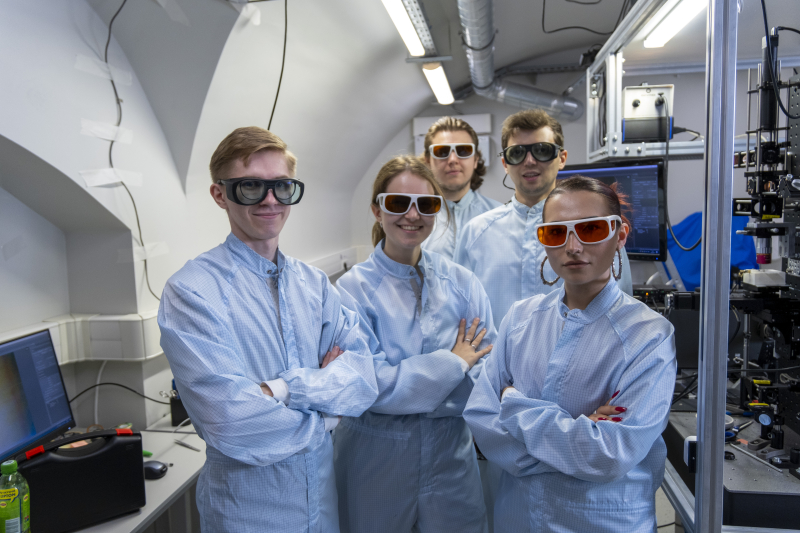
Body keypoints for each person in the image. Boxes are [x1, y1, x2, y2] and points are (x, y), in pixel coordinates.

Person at [157, 127, 379, 532]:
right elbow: (231, 421)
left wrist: (279, 391)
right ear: (219, 194)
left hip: (321, 508)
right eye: (250, 187)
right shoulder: (192, 292)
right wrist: (327, 408)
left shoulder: (315, 285)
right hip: (249, 514)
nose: (271, 200)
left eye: (282, 187)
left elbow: (363, 379)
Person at [463, 176, 676, 532]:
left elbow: (608, 454)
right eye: (555, 233)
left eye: (591, 229)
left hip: (601, 519)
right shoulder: (521, 318)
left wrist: (513, 403)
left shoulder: (648, 335)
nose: (573, 246)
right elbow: (482, 418)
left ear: (620, 235)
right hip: (519, 515)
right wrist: (574, 439)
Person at [334, 155, 495, 533]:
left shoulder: (463, 282)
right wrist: (454, 364)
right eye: (397, 203)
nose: (412, 214)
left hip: (451, 456)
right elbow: (369, 387)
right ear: (377, 209)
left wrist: (412, 386)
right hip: (374, 458)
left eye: (425, 204)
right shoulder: (351, 291)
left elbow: (487, 372)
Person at [454, 109, 633, 329]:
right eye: (517, 153)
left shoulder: (598, 229)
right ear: (505, 163)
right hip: (493, 362)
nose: (529, 161)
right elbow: (459, 312)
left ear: (562, 158)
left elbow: (620, 311)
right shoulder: (475, 233)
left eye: (542, 150)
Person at [420, 117, 501, 259]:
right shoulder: (413, 218)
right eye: (442, 151)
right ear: (428, 160)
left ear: (475, 159)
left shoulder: (500, 218)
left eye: (463, 151)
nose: (452, 160)